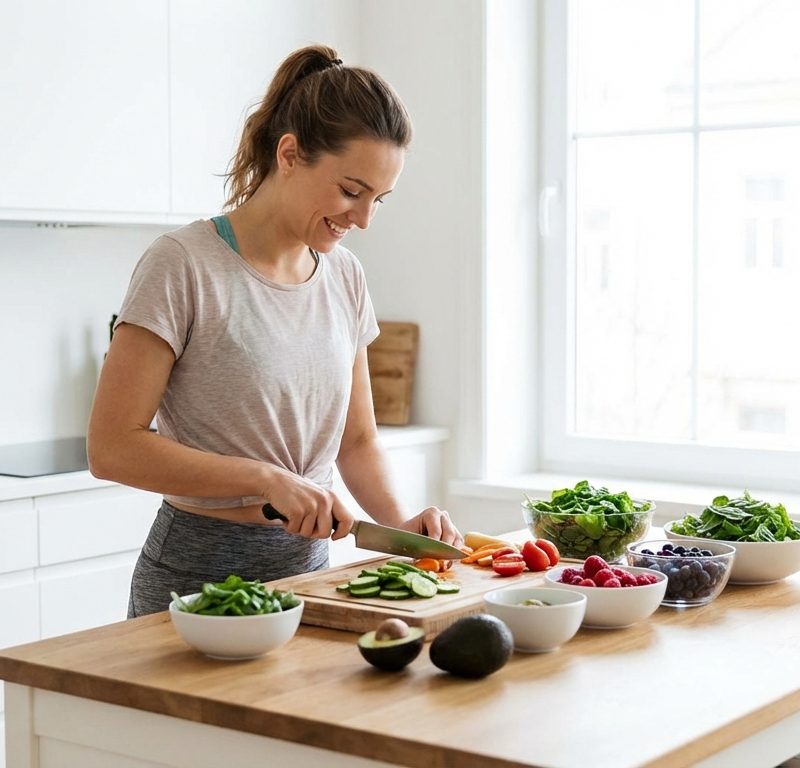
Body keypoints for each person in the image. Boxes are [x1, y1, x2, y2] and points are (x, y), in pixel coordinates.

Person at [87, 43, 462, 618]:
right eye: (350, 191)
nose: (362, 219)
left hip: (309, 573)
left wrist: (403, 524)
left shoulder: (345, 276)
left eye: (378, 200)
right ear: (290, 154)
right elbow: (111, 447)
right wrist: (266, 479)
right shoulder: (182, 263)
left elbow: (356, 441)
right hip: (195, 572)